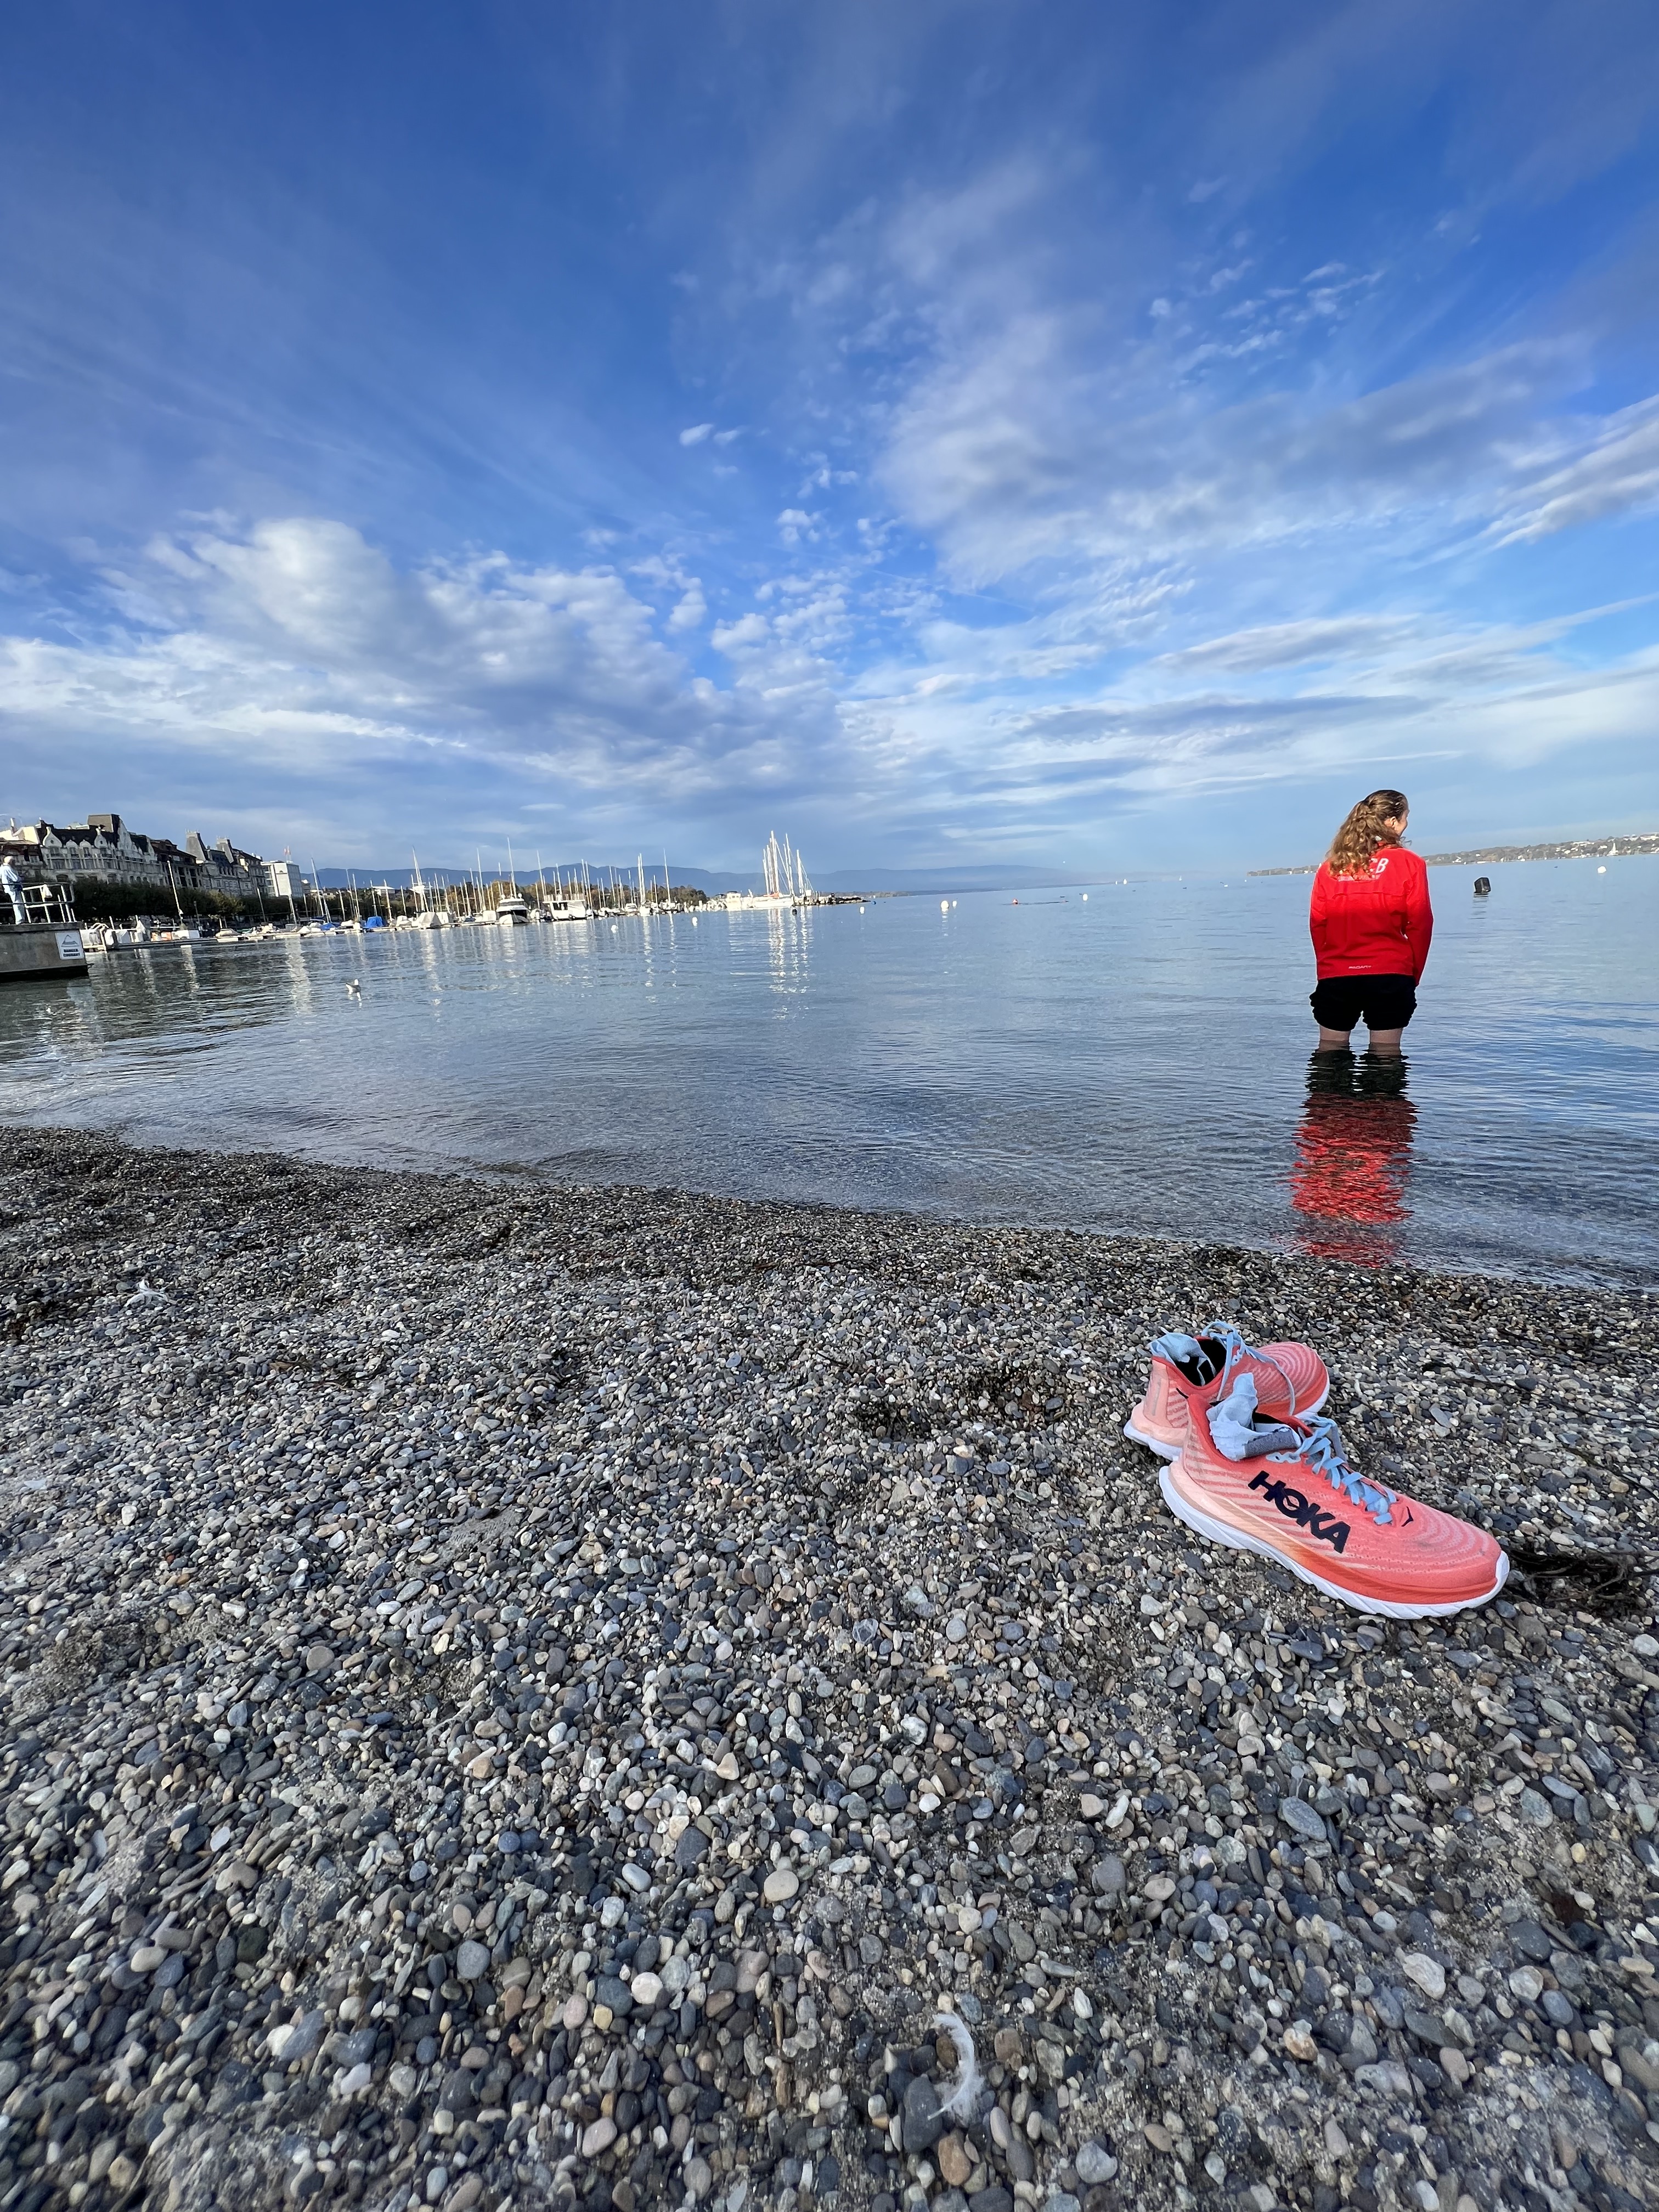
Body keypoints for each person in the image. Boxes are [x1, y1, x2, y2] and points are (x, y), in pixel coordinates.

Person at [1307, 788, 1431, 1057]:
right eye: (1406, 817)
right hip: (1390, 973)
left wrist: (1326, 966)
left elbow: (1318, 924)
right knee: (1386, 1056)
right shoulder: (1410, 863)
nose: (1407, 823)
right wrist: (1413, 974)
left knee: (1330, 1054)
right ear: (1393, 822)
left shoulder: (1330, 868)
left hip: (1337, 973)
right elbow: (1420, 924)